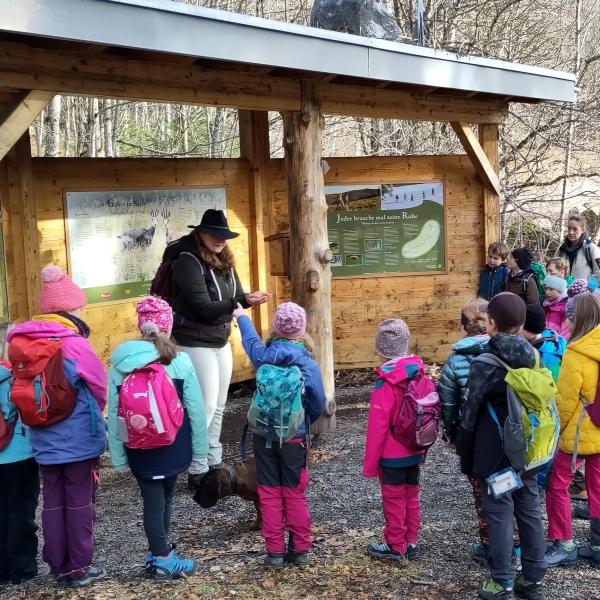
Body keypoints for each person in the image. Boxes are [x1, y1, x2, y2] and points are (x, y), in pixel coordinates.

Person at [7, 265, 107, 587]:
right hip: (78, 440)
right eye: (79, 306)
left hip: (43, 438)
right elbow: (99, 387)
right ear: (70, 308)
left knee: (51, 503)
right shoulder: (74, 343)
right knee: (78, 501)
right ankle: (78, 568)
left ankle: (57, 566)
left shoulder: (23, 343)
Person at [107, 296, 208, 578]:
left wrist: (118, 456)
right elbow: (196, 410)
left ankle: (158, 551)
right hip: (174, 443)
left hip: (139, 447)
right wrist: (201, 452)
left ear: (141, 327)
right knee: (166, 498)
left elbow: (114, 413)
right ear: (168, 326)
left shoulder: (120, 363)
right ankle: (162, 557)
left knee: (152, 499)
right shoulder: (180, 360)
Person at [458, 293, 547, 600]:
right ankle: (533, 579)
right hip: (529, 450)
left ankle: (502, 581)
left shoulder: (485, 362)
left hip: (495, 452)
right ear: (522, 323)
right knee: (530, 509)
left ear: (491, 324)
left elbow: (469, 414)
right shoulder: (534, 355)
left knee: (498, 513)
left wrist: (465, 456)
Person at [168, 209, 270, 472]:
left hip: (220, 339)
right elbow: (204, 306)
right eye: (214, 234)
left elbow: (236, 295)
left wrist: (247, 299)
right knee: (205, 406)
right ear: (200, 233)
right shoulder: (186, 261)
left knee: (220, 404)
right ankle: (197, 467)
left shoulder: (224, 259)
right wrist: (243, 301)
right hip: (193, 341)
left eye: (224, 235)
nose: (220, 239)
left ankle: (213, 459)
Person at [233, 301, 325, 568]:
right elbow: (317, 401)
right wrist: (302, 421)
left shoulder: (263, 356)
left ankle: (274, 553)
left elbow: (250, 341)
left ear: (275, 328)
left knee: (270, 493)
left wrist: (241, 316)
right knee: (294, 493)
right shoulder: (306, 364)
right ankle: (300, 550)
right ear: (301, 332)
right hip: (294, 438)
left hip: (263, 435)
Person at [438, 299, 521, 566]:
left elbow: (449, 404)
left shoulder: (455, 361)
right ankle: (516, 542)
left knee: (483, 493)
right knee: (513, 488)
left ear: (464, 326)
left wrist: (452, 435)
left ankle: (491, 545)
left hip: (474, 437)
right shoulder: (513, 351)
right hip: (512, 433)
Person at [362, 319, 426, 563]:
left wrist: (370, 466)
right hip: (414, 449)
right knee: (412, 496)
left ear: (380, 349)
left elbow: (376, 430)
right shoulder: (417, 372)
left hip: (392, 455)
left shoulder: (385, 383)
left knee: (393, 499)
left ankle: (395, 545)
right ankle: (411, 541)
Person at [545, 293, 600, 568]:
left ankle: (563, 541)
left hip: (579, 430)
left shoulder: (576, 352)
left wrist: (555, 433)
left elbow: (564, 402)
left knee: (557, 483)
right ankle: (598, 546)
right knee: (598, 486)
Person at [0, 322, 42, 585]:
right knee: (21, 510)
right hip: (18, 454)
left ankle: (2, 569)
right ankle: (22, 566)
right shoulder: (12, 377)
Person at [521, 304, 566, 383]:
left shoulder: (547, 357)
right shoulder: (548, 335)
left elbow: (551, 386)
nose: (517, 330)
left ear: (527, 327)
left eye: (520, 326)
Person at [555, 214, 600, 282]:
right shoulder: (561, 249)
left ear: (583, 230)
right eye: (569, 228)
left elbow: (598, 274)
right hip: (562, 291)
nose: (571, 232)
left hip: (584, 292)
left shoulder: (591, 249)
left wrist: (589, 289)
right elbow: (552, 269)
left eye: (575, 229)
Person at [541, 275, 569, 339]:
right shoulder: (545, 304)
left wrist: (559, 342)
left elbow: (565, 331)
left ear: (560, 291)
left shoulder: (565, 307)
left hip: (557, 342)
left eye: (551, 289)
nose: (547, 292)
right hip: (545, 340)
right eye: (545, 289)